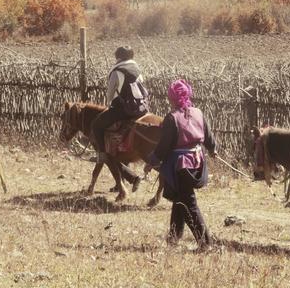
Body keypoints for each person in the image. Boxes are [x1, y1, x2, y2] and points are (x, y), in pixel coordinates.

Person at [146, 79, 216, 248]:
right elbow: (208, 135)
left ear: (171, 98)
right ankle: (173, 237)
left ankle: (206, 243)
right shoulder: (198, 112)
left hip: (181, 166)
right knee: (180, 198)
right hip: (198, 162)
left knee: (189, 203)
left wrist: (151, 162)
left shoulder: (172, 118)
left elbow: (164, 146)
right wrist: (213, 149)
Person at [90, 46, 147, 188]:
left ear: (119, 57)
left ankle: (102, 153)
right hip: (140, 110)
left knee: (96, 125)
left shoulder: (117, 72)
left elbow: (110, 95)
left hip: (123, 110)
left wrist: (111, 105)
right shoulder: (137, 71)